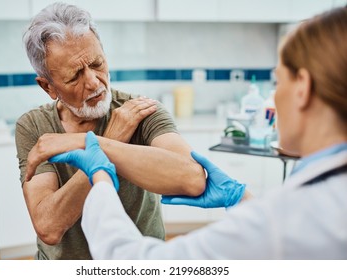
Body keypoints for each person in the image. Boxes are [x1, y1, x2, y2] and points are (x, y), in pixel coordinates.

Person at [49, 7, 347, 259]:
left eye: (278, 81)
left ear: (303, 89)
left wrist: (100, 179)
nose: (275, 96)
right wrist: (241, 198)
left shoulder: (287, 218)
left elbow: (137, 265)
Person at [16, 2, 209, 260]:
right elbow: (49, 227)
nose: (94, 82)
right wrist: (109, 139)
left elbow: (193, 179)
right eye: (75, 76)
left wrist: (100, 147)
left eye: (97, 64)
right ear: (48, 87)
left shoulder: (140, 111)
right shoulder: (33, 127)